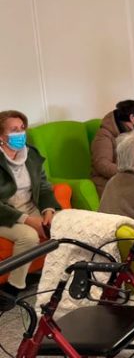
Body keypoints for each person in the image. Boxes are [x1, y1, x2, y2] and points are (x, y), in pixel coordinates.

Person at [0, 110, 60, 311]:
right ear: (1, 136)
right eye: (13, 130)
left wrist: (48, 211)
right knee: (29, 237)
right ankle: (12, 289)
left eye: (22, 129)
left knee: (63, 224)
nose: (20, 134)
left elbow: (43, 187)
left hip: (30, 207)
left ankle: (61, 276)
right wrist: (28, 220)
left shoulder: (31, 154)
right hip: (6, 214)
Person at [91, 99, 134, 196]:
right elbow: (102, 164)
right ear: (132, 118)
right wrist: (132, 173)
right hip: (108, 182)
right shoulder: (104, 135)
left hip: (129, 179)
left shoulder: (133, 133)